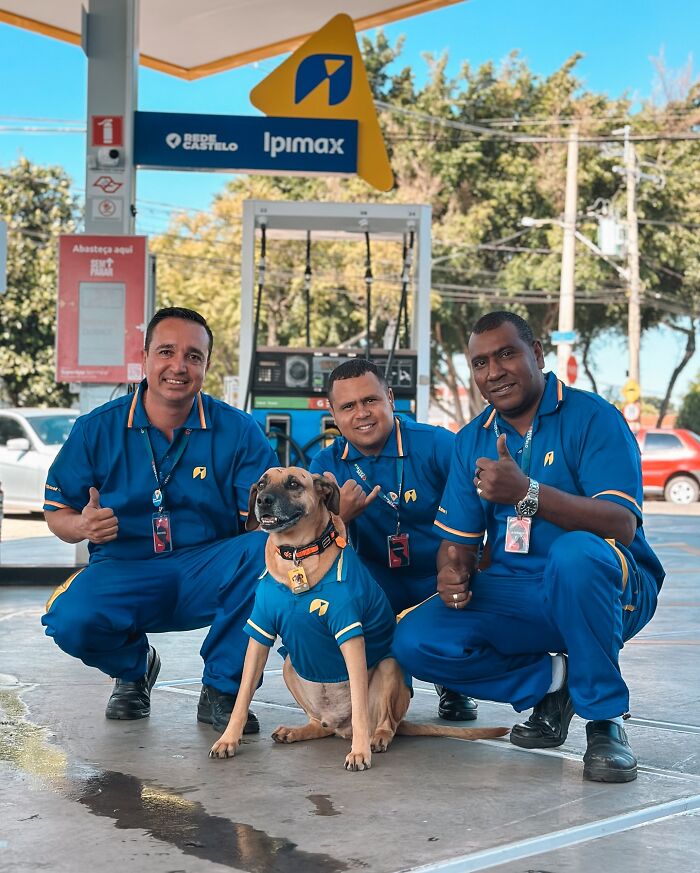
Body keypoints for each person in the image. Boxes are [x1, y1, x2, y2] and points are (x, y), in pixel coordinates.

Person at [392, 311, 665, 782]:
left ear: (536, 354)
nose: (493, 371)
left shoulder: (593, 416)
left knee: (575, 555)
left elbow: (620, 525)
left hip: (608, 589)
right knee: (413, 640)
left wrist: (527, 494)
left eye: (505, 354)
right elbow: (456, 542)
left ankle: (605, 722)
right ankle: (555, 684)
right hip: (519, 592)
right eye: (480, 363)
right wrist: (451, 573)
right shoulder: (471, 439)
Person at [42, 306, 277, 733]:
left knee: (271, 551)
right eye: (166, 351)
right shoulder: (96, 429)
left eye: (193, 356)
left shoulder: (239, 431)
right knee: (68, 618)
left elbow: (264, 520)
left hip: (207, 566)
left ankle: (223, 690)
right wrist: (83, 527)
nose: (179, 366)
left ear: (206, 363)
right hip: (125, 568)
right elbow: (57, 512)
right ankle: (134, 668)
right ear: (145, 355)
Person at [309, 358, 479, 722]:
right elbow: (304, 544)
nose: (362, 414)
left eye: (370, 400)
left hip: (439, 574)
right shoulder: (325, 465)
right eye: (348, 406)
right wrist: (341, 516)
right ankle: (369, 688)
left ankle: (454, 682)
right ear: (334, 414)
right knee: (316, 604)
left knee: (462, 601)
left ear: (390, 397)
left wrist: (471, 563)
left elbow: (484, 504)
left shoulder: (435, 445)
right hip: (376, 582)